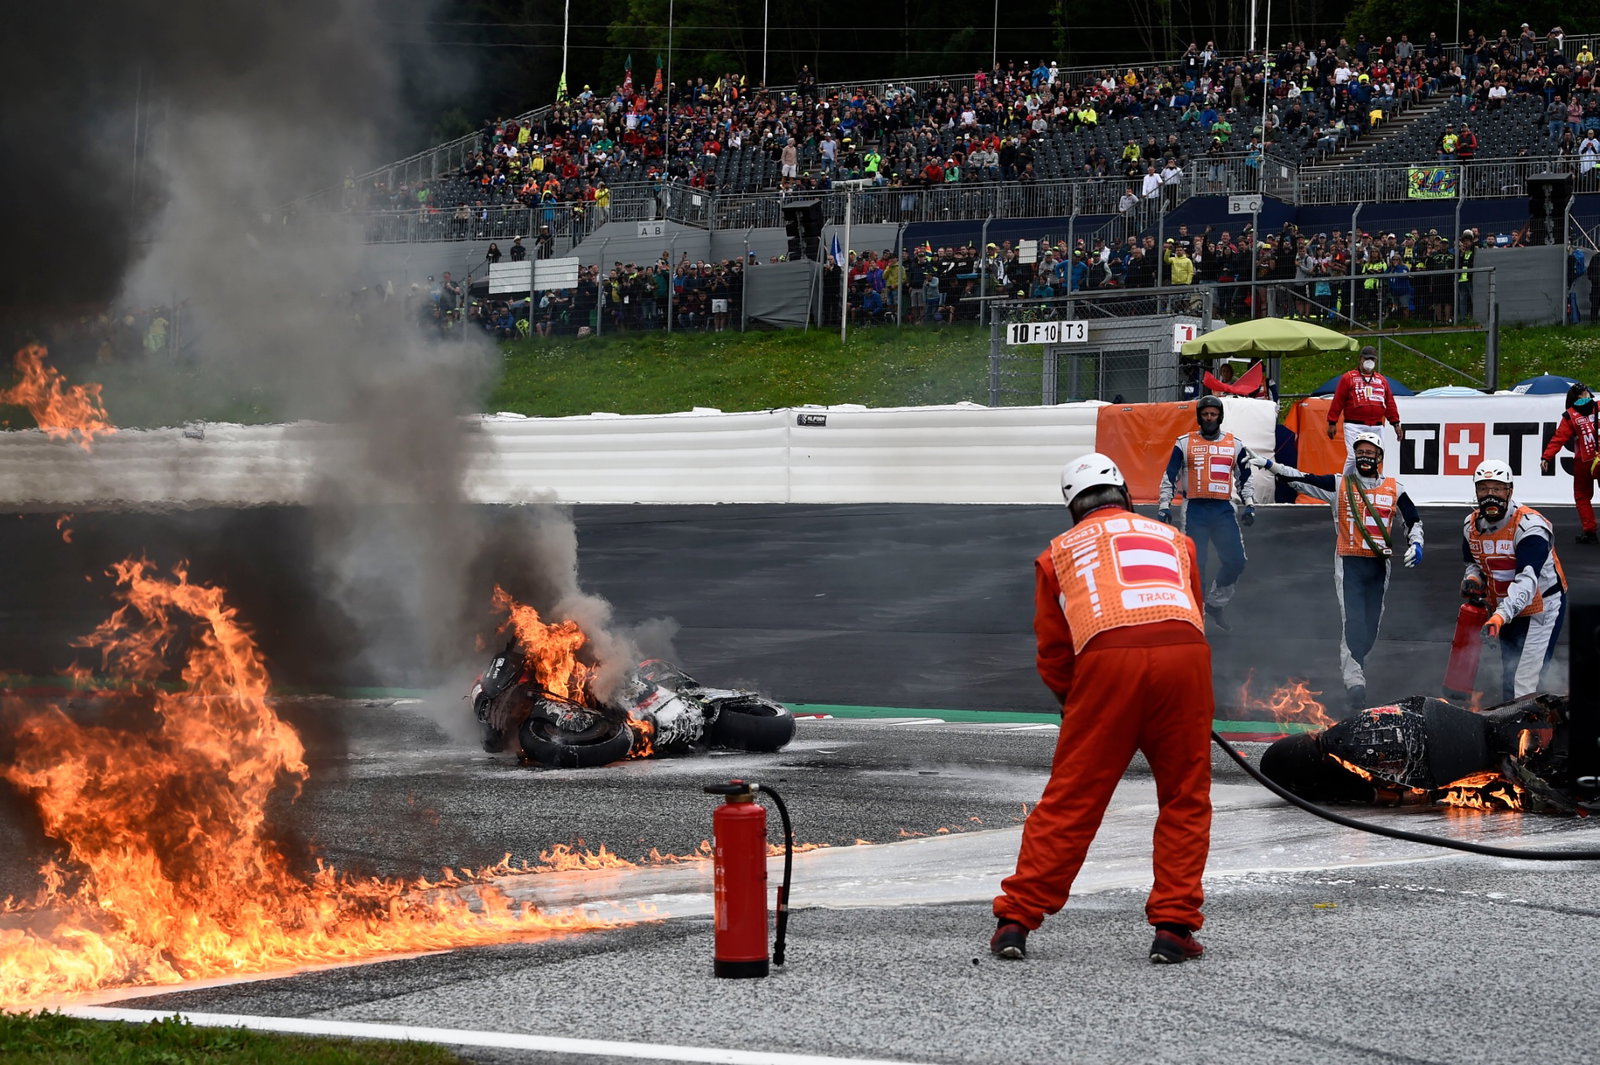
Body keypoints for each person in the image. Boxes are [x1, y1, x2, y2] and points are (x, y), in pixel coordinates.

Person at [992, 453, 1213, 965]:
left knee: (1072, 797)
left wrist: (1076, 706)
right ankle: (1174, 927)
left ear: (1073, 507)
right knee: (1185, 795)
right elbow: (1193, 612)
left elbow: (1054, 652)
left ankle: (1016, 920)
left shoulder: (1057, 553)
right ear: (1126, 496)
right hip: (1184, 659)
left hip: (1106, 661)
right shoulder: (1177, 540)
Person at [1250, 433, 1423, 708]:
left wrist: (1416, 543)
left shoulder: (1395, 488)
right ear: (1354, 456)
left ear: (1380, 457)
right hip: (1349, 562)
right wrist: (1272, 466)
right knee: (1352, 622)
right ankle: (1354, 680)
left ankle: (1357, 664)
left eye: (1370, 452)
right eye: (1360, 452)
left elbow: (1412, 519)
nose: (1365, 457)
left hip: (1379, 565)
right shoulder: (1339, 484)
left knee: (1371, 626)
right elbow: (1303, 479)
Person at [1462, 460, 1567, 699]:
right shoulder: (1470, 525)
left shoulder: (1531, 527)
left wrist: (1500, 616)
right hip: (1505, 606)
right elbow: (1473, 563)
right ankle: (1516, 722)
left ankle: (1538, 722)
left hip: (1541, 606)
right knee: (1510, 674)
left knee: (1525, 682)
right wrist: (1473, 578)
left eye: (1497, 488)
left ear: (1510, 491)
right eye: (1483, 488)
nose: (1490, 495)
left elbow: (1528, 580)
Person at [1156, 396, 1260, 631]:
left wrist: (1250, 504)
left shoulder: (1235, 444)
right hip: (1195, 509)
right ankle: (1195, 618)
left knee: (1236, 561)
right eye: (1205, 414)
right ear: (1199, 417)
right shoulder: (1183, 443)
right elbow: (1170, 475)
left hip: (1224, 509)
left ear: (1220, 416)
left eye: (1213, 414)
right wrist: (1164, 505)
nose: (1209, 418)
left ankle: (1215, 604)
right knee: (1196, 564)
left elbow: (1245, 478)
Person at [1540, 383, 1599, 544]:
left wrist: (1546, 457)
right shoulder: (1598, 406)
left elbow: (1558, 438)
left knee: (1582, 496)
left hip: (1584, 461)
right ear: (1585, 394)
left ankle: (1590, 531)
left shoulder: (1570, 415)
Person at [1327, 345, 1403, 457]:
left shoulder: (1381, 380)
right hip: (1354, 425)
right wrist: (1332, 422)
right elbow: (1338, 400)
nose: (1369, 361)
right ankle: (1351, 470)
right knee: (1354, 456)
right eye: (1366, 358)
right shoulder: (1348, 378)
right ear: (1360, 359)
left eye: (1372, 359)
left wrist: (1396, 424)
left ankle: (1372, 469)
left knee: (1376, 457)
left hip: (1377, 426)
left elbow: (1389, 403)